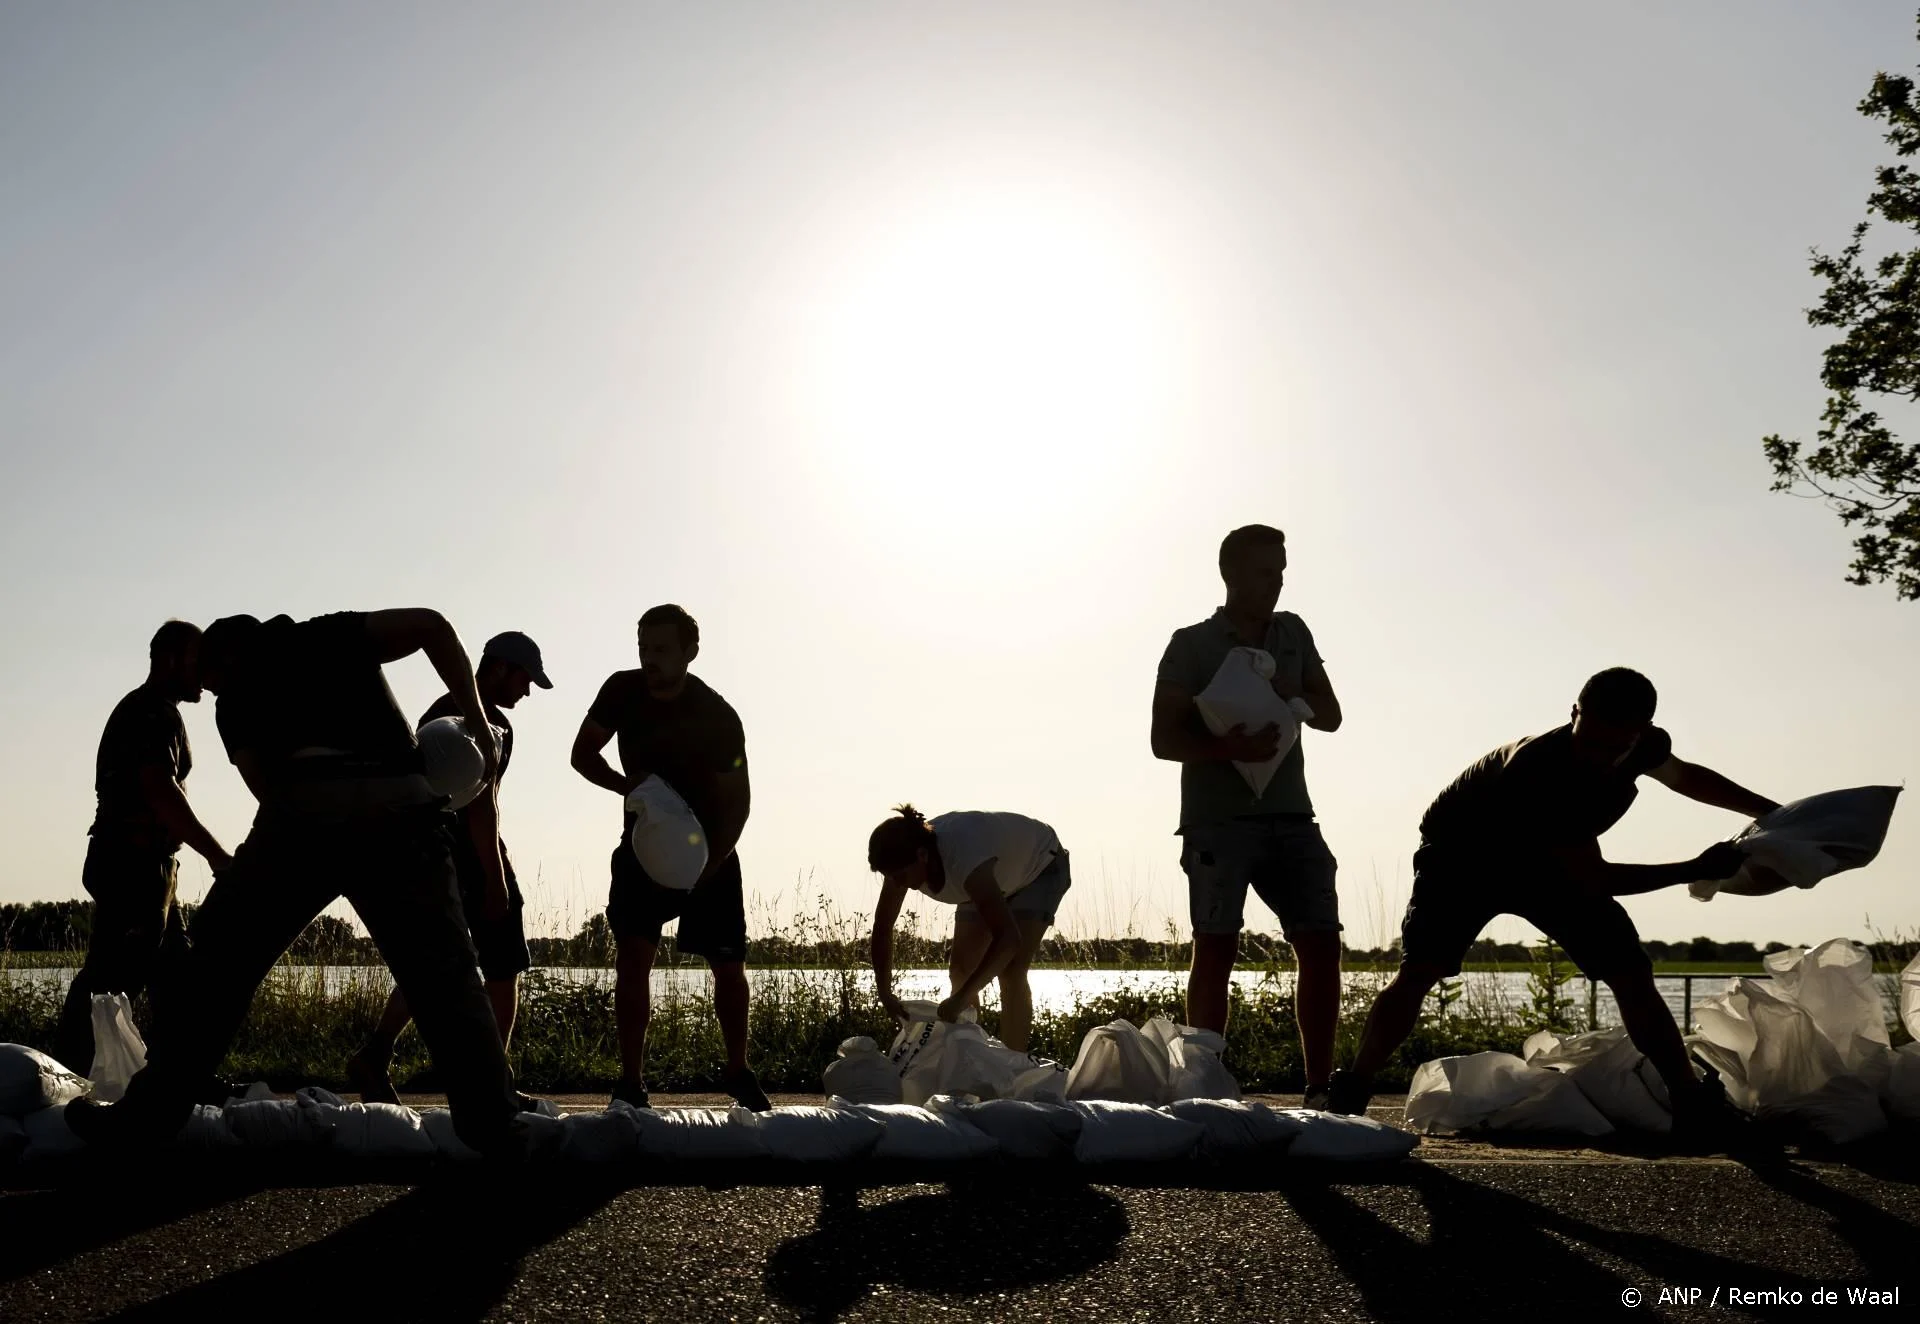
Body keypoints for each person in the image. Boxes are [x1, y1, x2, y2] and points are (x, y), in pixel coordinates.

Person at [67, 610, 524, 1156]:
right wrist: (475, 718)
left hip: (307, 818)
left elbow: (265, 788)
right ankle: (495, 1124)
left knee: (214, 965)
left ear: (227, 655)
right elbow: (431, 626)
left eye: (213, 675)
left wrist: (267, 858)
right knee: (446, 978)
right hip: (399, 813)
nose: (211, 688)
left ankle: (150, 1114)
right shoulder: (326, 636)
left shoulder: (236, 696)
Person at [1326, 668, 1776, 1145]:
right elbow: (1595, 878)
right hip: (1463, 857)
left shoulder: (1644, 745)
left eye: (1614, 748)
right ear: (1574, 713)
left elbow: (1686, 777)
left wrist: (1769, 813)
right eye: (1591, 740)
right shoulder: (1535, 768)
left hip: (1552, 860)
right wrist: (1693, 867)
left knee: (1630, 971)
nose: (1598, 756)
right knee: (1420, 971)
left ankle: (1689, 1101)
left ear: (1640, 734)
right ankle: (1353, 1089)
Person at [1151, 524, 1346, 1107]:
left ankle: (1319, 1089)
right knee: (1216, 946)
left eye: (1282, 571)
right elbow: (1163, 740)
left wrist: (1293, 690)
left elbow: (1332, 715)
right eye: (1265, 572)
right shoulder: (1190, 644)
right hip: (1218, 822)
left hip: (1292, 818)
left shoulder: (1295, 633)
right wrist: (1227, 748)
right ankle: (1208, 1091)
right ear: (1231, 574)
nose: (1276, 583)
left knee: (1320, 945)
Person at [570, 604, 767, 1111]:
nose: (649, 659)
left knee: (729, 966)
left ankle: (738, 1072)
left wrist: (712, 865)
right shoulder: (621, 690)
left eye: (660, 650)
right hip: (642, 848)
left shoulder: (718, 716)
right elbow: (582, 753)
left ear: (689, 652)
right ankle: (632, 1082)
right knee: (632, 962)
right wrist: (623, 784)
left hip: (711, 850)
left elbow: (739, 802)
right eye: (643, 648)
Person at [348, 631, 552, 1104]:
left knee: (433, 969)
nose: (526, 692)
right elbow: (482, 805)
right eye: (525, 680)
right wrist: (496, 879)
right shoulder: (480, 724)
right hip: (470, 859)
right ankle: (492, 1087)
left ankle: (375, 1056)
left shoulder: (436, 712)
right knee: (503, 971)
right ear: (499, 668)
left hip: (434, 855)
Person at [52, 621, 233, 1075]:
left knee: (175, 980)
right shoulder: (150, 714)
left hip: (149, 869)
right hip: (132, 867)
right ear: (170, 660)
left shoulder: (154, 712)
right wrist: (216, 855)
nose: (205, 674)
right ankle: (61, 1076)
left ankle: (178, 1080)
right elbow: (161, 793)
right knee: (111, 980)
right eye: (198, 661)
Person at [865, 806, 1070, 1053]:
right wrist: (885, 992)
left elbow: (1008, 939)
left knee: (1011, 969)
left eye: (899, 876)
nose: (897, 884)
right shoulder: (900, 862)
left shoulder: (963, 856)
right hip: (991, 877)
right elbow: (883, 927)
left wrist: (960, 999)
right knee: (961, 970)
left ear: (922, 855)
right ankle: (971, 1057)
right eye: (890, 877)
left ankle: (1011, 1069)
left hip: (1039, 867)